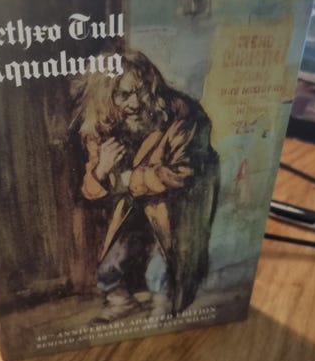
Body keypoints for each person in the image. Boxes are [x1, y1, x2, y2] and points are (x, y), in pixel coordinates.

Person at [74, 49, 219, 323]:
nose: (136, 103)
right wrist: (101, 170)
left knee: (163, 268)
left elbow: (184, 172)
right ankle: (121, 302)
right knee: (109, 266)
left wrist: (131, 180)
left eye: (141, 91)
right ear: (106, 97)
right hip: (134, 207)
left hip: (176, 206)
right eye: (124, 95)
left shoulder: (183, 114)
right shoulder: (100, 125)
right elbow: (89, 190)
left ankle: (163, 308)